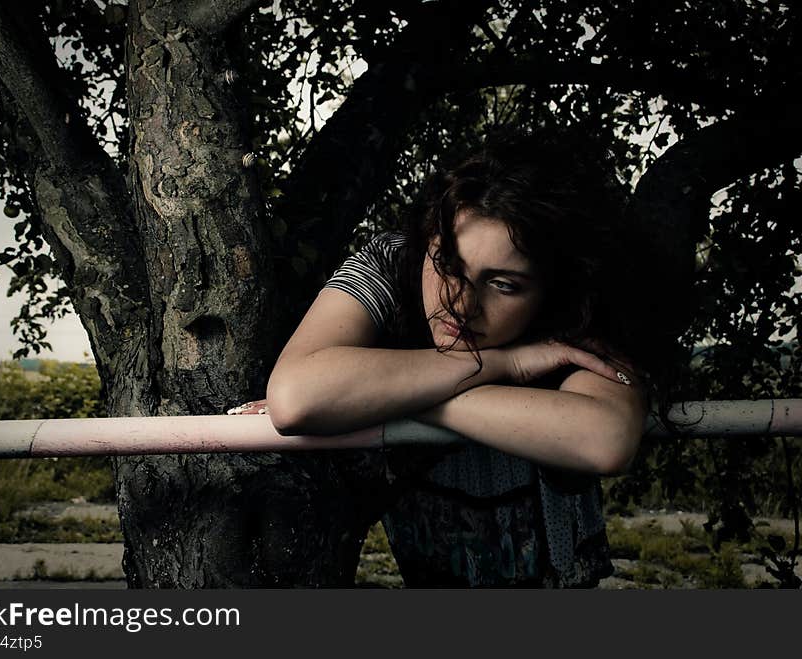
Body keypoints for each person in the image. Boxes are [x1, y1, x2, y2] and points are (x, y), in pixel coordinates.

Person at [232, 128, 663, 588]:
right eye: (448, 266)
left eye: (503, 285)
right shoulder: (392, 264)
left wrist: (381, 395)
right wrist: (503, 365)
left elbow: (605, 437)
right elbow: (297, 396)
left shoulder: (578, 312)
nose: (461, 303)